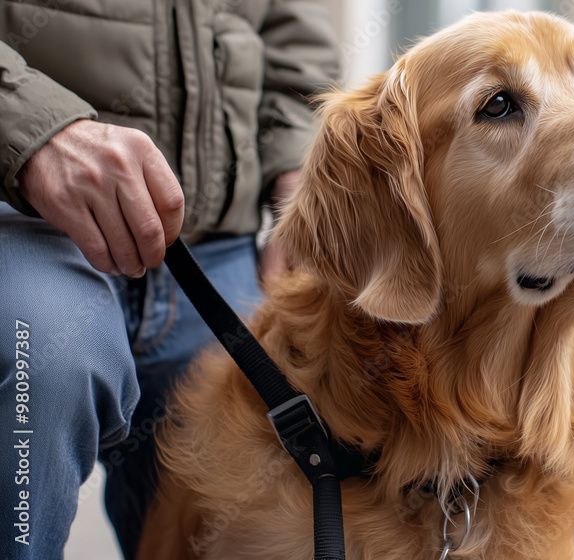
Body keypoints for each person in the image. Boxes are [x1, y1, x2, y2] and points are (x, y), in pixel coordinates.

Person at [0, 2, 340, 558]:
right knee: (46, 365)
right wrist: (30, 128)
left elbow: (293, 26)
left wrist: (301, 168)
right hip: (20, 220)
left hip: (219, 252)